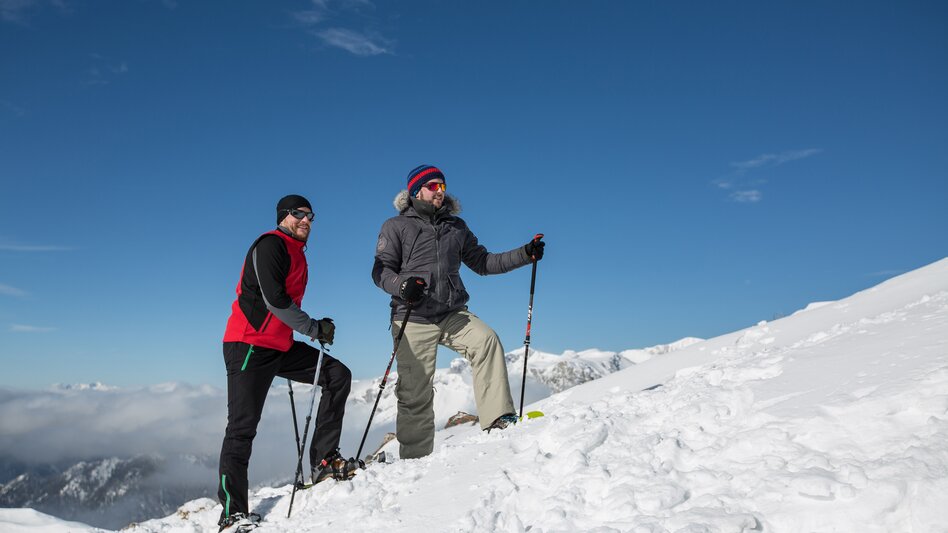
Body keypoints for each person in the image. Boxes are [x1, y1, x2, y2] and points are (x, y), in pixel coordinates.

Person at [372, 165, 545, 459]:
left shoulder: (457, 227)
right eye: (433, 186)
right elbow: (380, 271)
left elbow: (484, 263)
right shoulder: (396, 226)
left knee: (486, 341)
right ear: (416, 192)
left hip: (451, 312)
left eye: (443, 186)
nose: (441, 191)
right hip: (412, 316)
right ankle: (415, 459)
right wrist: (401, 286)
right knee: (416, 392)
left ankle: (498, 419)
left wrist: (524, 254)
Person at [217, 194, 353, 531]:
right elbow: (274, 300)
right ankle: (232, 514)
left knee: (337, 375)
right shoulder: (270, 245)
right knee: (242, 428)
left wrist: (311, 326)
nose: (306, 220)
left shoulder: (298, 253)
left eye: (310, 215)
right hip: (248, 344)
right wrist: (313, 328)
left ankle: (323, 461)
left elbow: (285, 304)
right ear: (283, 216)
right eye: (298, 214)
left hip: (279, 345)